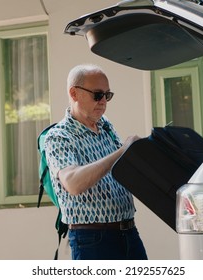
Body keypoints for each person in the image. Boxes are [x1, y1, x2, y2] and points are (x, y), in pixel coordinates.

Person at [44, 64, 148, 260]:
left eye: (107, 95)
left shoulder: (105, 125)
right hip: (92, 240)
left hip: (128, 232)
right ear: (74, 93)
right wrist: (121, 151)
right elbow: (73, 183)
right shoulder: (59, 136)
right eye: (97, 94)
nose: (103, 102)